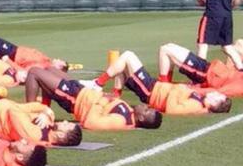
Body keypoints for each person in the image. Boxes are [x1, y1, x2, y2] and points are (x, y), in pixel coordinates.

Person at [91, 50, 231, 115]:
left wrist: (178, 88)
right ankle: (115, 95)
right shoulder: (199, 100)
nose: (215, 94)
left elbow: (172, 109)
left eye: (218, 97)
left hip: (151, 91)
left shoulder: (196, 105)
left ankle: (97, 84)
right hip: (154, 86)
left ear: (215, 104)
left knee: (128, 56)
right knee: (124, 63)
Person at [23, 67, 160, 130]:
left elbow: (90, 123)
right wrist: (107, 97)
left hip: (75, 98)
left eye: (147, 110)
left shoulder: (121, 120)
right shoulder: (129, 113)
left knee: (34, 73)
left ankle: (31, 114)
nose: (145, 106)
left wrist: (101, 101)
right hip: (82, 91)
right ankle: (43, 110)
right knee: (49, 70)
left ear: (141, 118)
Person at [157, 42, 243, 96]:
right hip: (207, 68)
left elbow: (218, 91)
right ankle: (164, 86)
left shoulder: (240, 86)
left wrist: (193, 90)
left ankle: (163, 88)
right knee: (169, 46)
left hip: (204, 74)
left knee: (165, 50)